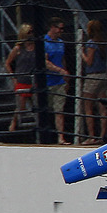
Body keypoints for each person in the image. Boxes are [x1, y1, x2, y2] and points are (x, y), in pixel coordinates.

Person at [80, 19, 107, 145]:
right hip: (103, 75)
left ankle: (91, 136)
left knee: (88, 106)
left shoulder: (91, 43)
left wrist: (81, 53)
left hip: (93, 76)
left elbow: (89, 61)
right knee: (102, 107)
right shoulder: (104, 43)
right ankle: (102, 136)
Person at [44, 16, 71, 145]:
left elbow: (63, 60)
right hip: (46, 81)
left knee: (59, 110)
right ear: (52, 28)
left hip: (59, 82)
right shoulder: (44, 42)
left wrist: (65, 74)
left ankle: (61, 137)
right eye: (59, 28)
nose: (61, 31)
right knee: (45, 109)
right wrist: (58, 70)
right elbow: (44, 61)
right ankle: (44, 135)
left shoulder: (61, 43)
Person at [5, 23, 36, 132]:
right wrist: (13, 77)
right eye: (29, 32)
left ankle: (39, 124)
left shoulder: (36, 48)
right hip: (21, 79)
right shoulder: (18, 48)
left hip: (33, 79)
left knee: (37, 103)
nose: (31, 34)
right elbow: (8, 63)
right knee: (21, 105)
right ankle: (14, 123)